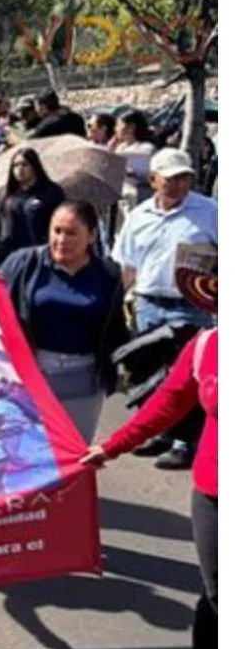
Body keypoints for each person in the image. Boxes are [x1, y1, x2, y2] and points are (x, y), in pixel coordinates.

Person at [79, 258, 216, 649]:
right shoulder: (208, 346)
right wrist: (110, 447)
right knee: (218, 595)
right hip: (214, 494)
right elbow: (166, 405)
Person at [111, 149, 217, 469]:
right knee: (152, 375)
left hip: (191, 305)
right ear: (153, 179)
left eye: (184, 178)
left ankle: (187, 442)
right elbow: (127, 265)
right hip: (147, 303)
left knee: (187, 376)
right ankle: (166, 434)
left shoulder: (211, 212)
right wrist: (116, 300)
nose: (178, 184)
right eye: (171, 179)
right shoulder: (139, 216)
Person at [1, 201, 128, 441]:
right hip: (29, 376)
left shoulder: (108, 275)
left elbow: (115, 328)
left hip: (84, 381)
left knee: (73, 454)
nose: (61, 240)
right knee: (24, 453)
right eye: (56, 231)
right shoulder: (23, 264)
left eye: (71, 233)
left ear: (92, 236)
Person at [0, 147, 66, 266]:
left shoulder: (51, 192)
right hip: (8, 258)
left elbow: (62, 222)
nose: (19, 169)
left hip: (41, 257)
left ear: (35, 166)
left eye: (24, 164)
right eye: (15, 165)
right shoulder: (3, 194)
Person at [111, 109, 157, 203]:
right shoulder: (121, 147)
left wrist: (132, 173)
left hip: (138, 195)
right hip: (122, 195)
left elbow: (148, 174)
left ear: (131, 127)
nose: (116, 129)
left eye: (119, 125)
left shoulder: (146, 149)